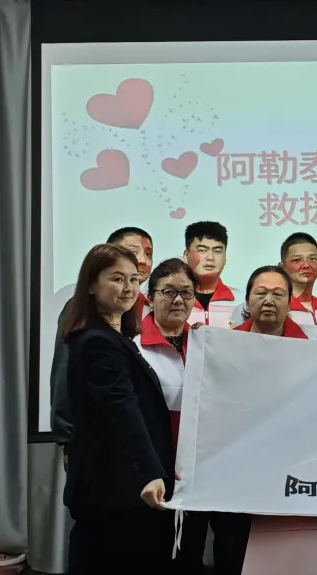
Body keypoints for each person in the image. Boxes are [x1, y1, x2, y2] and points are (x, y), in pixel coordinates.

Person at [61, 244, 175, 575]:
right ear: (91, 285)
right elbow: (121, 409)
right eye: (117, 279)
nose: (128, 288)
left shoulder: (117, 338)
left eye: (134, 279)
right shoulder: (96, 341)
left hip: (122, 490)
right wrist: (150, 471)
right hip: (113, 493)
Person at [217, 265, 308, 575]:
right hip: (235, 475)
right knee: (233, 552)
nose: (269, 300)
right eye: (261, 293)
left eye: (278, 294)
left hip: (289, 474)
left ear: (290, 302)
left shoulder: (313, 349)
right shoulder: (223, 346)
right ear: (247, 300)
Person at [51, 226, 153, 453]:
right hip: (100, 443)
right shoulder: (82, 313)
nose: (142, 260)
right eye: (132, 252)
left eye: (148, 254)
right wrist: (68, 437)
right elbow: (64, 374)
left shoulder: (144, 307)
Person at [133, 258, 205, 574]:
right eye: (169, 291)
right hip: (153, 473)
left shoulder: (206, 344)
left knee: (191, 553)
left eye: (186, 292)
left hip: (198, 474)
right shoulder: (135, 348)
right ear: (150, 297)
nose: (178, 300)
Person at [183, 221, 240, 327]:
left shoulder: (241, 302)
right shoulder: (174, 300)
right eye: (202, 250)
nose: (210, 258)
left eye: (217, 251)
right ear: (186, 256)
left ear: (225, 257)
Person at [278, 232, 317, 339]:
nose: (306, 265)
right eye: (297, 260)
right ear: (282, 267)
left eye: (312, 259)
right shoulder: (277, 306)